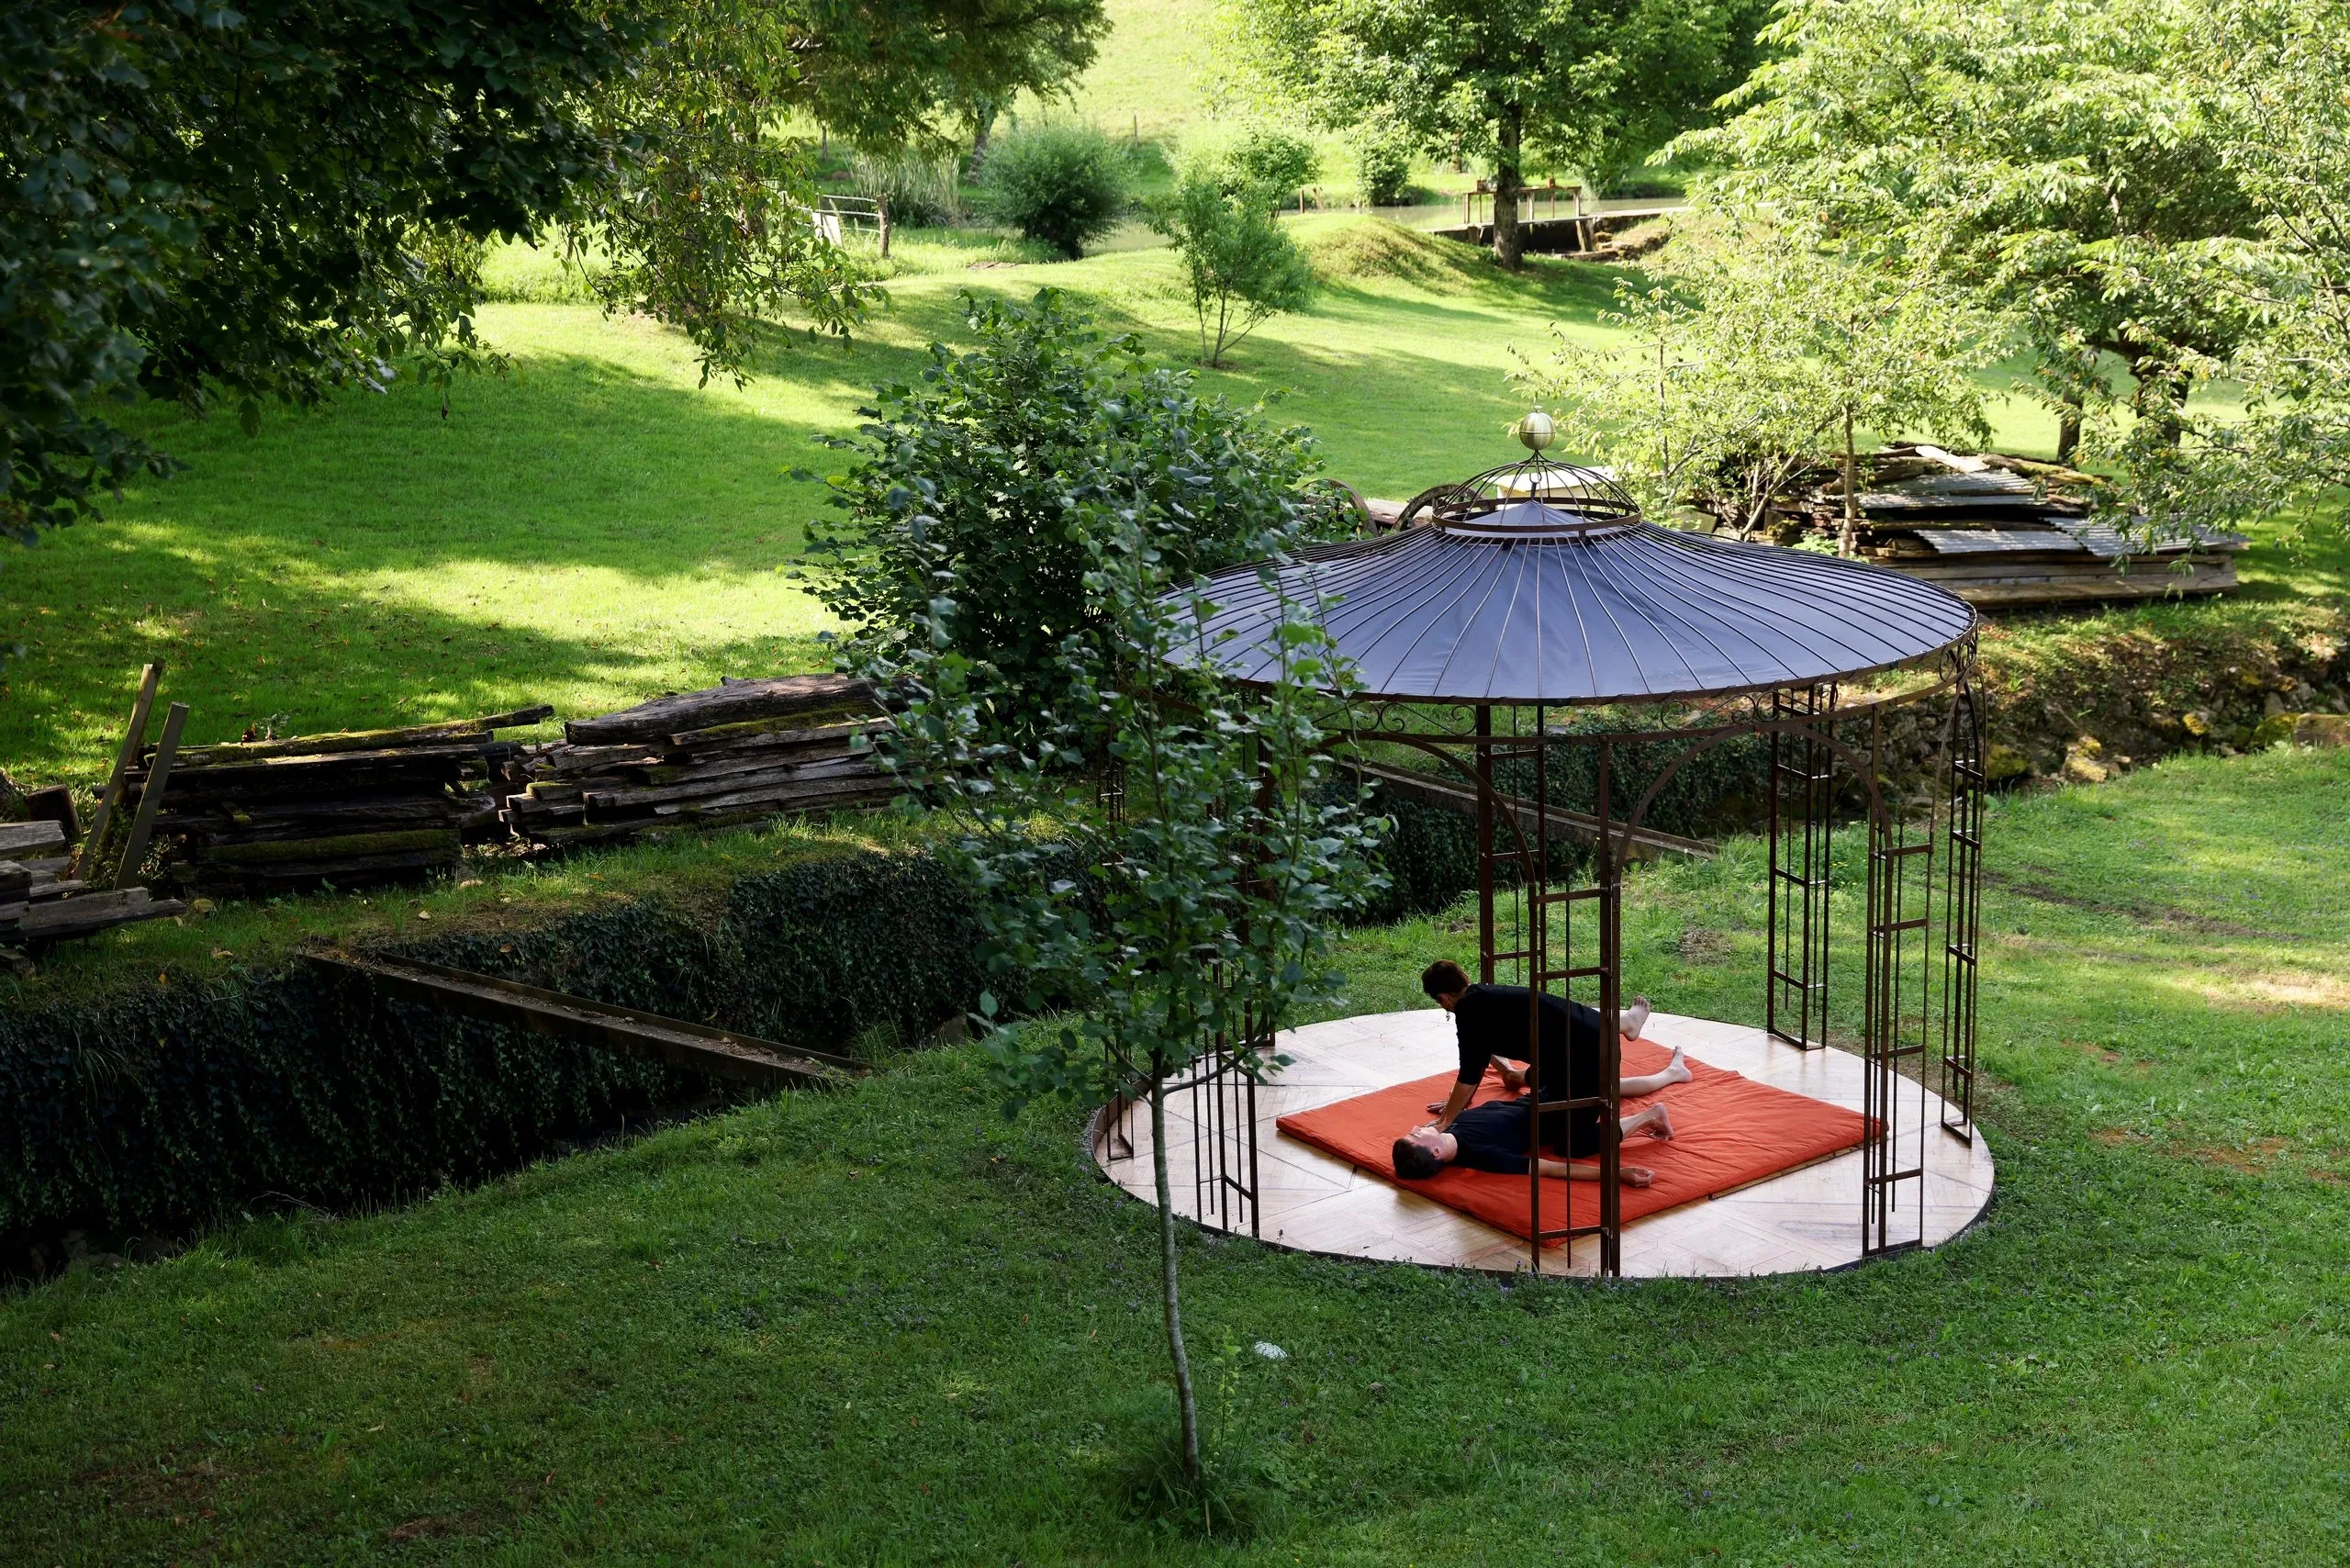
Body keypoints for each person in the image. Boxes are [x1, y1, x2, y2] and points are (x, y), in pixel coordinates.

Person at [1416, 959, 1689, 1142]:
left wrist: (1445, 1121)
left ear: (1443, 999)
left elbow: (1469, 1075)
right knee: (1548, 1088)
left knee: (1572, 1140)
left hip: (1587, 1057)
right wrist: (1456, 1101)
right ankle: (1631, 1029)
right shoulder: (1482, 997)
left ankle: (1651, 1112)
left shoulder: (1469, 1013)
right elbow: (1477, 1053)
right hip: (1570, 1051)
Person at [1391, 1094, 1673, 1186]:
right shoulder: (1484, 1156)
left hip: (1546, 1090)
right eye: (1416, 1134)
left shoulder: (1453, 1122)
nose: (1417, 1126)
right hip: (1561, 1109)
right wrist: (1617, 1174)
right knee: (1571, 1147)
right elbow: (1549, 1167)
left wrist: (1454, 1105)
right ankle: (1650, 1115)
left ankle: (1670, 1074)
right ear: (1437, 1152)